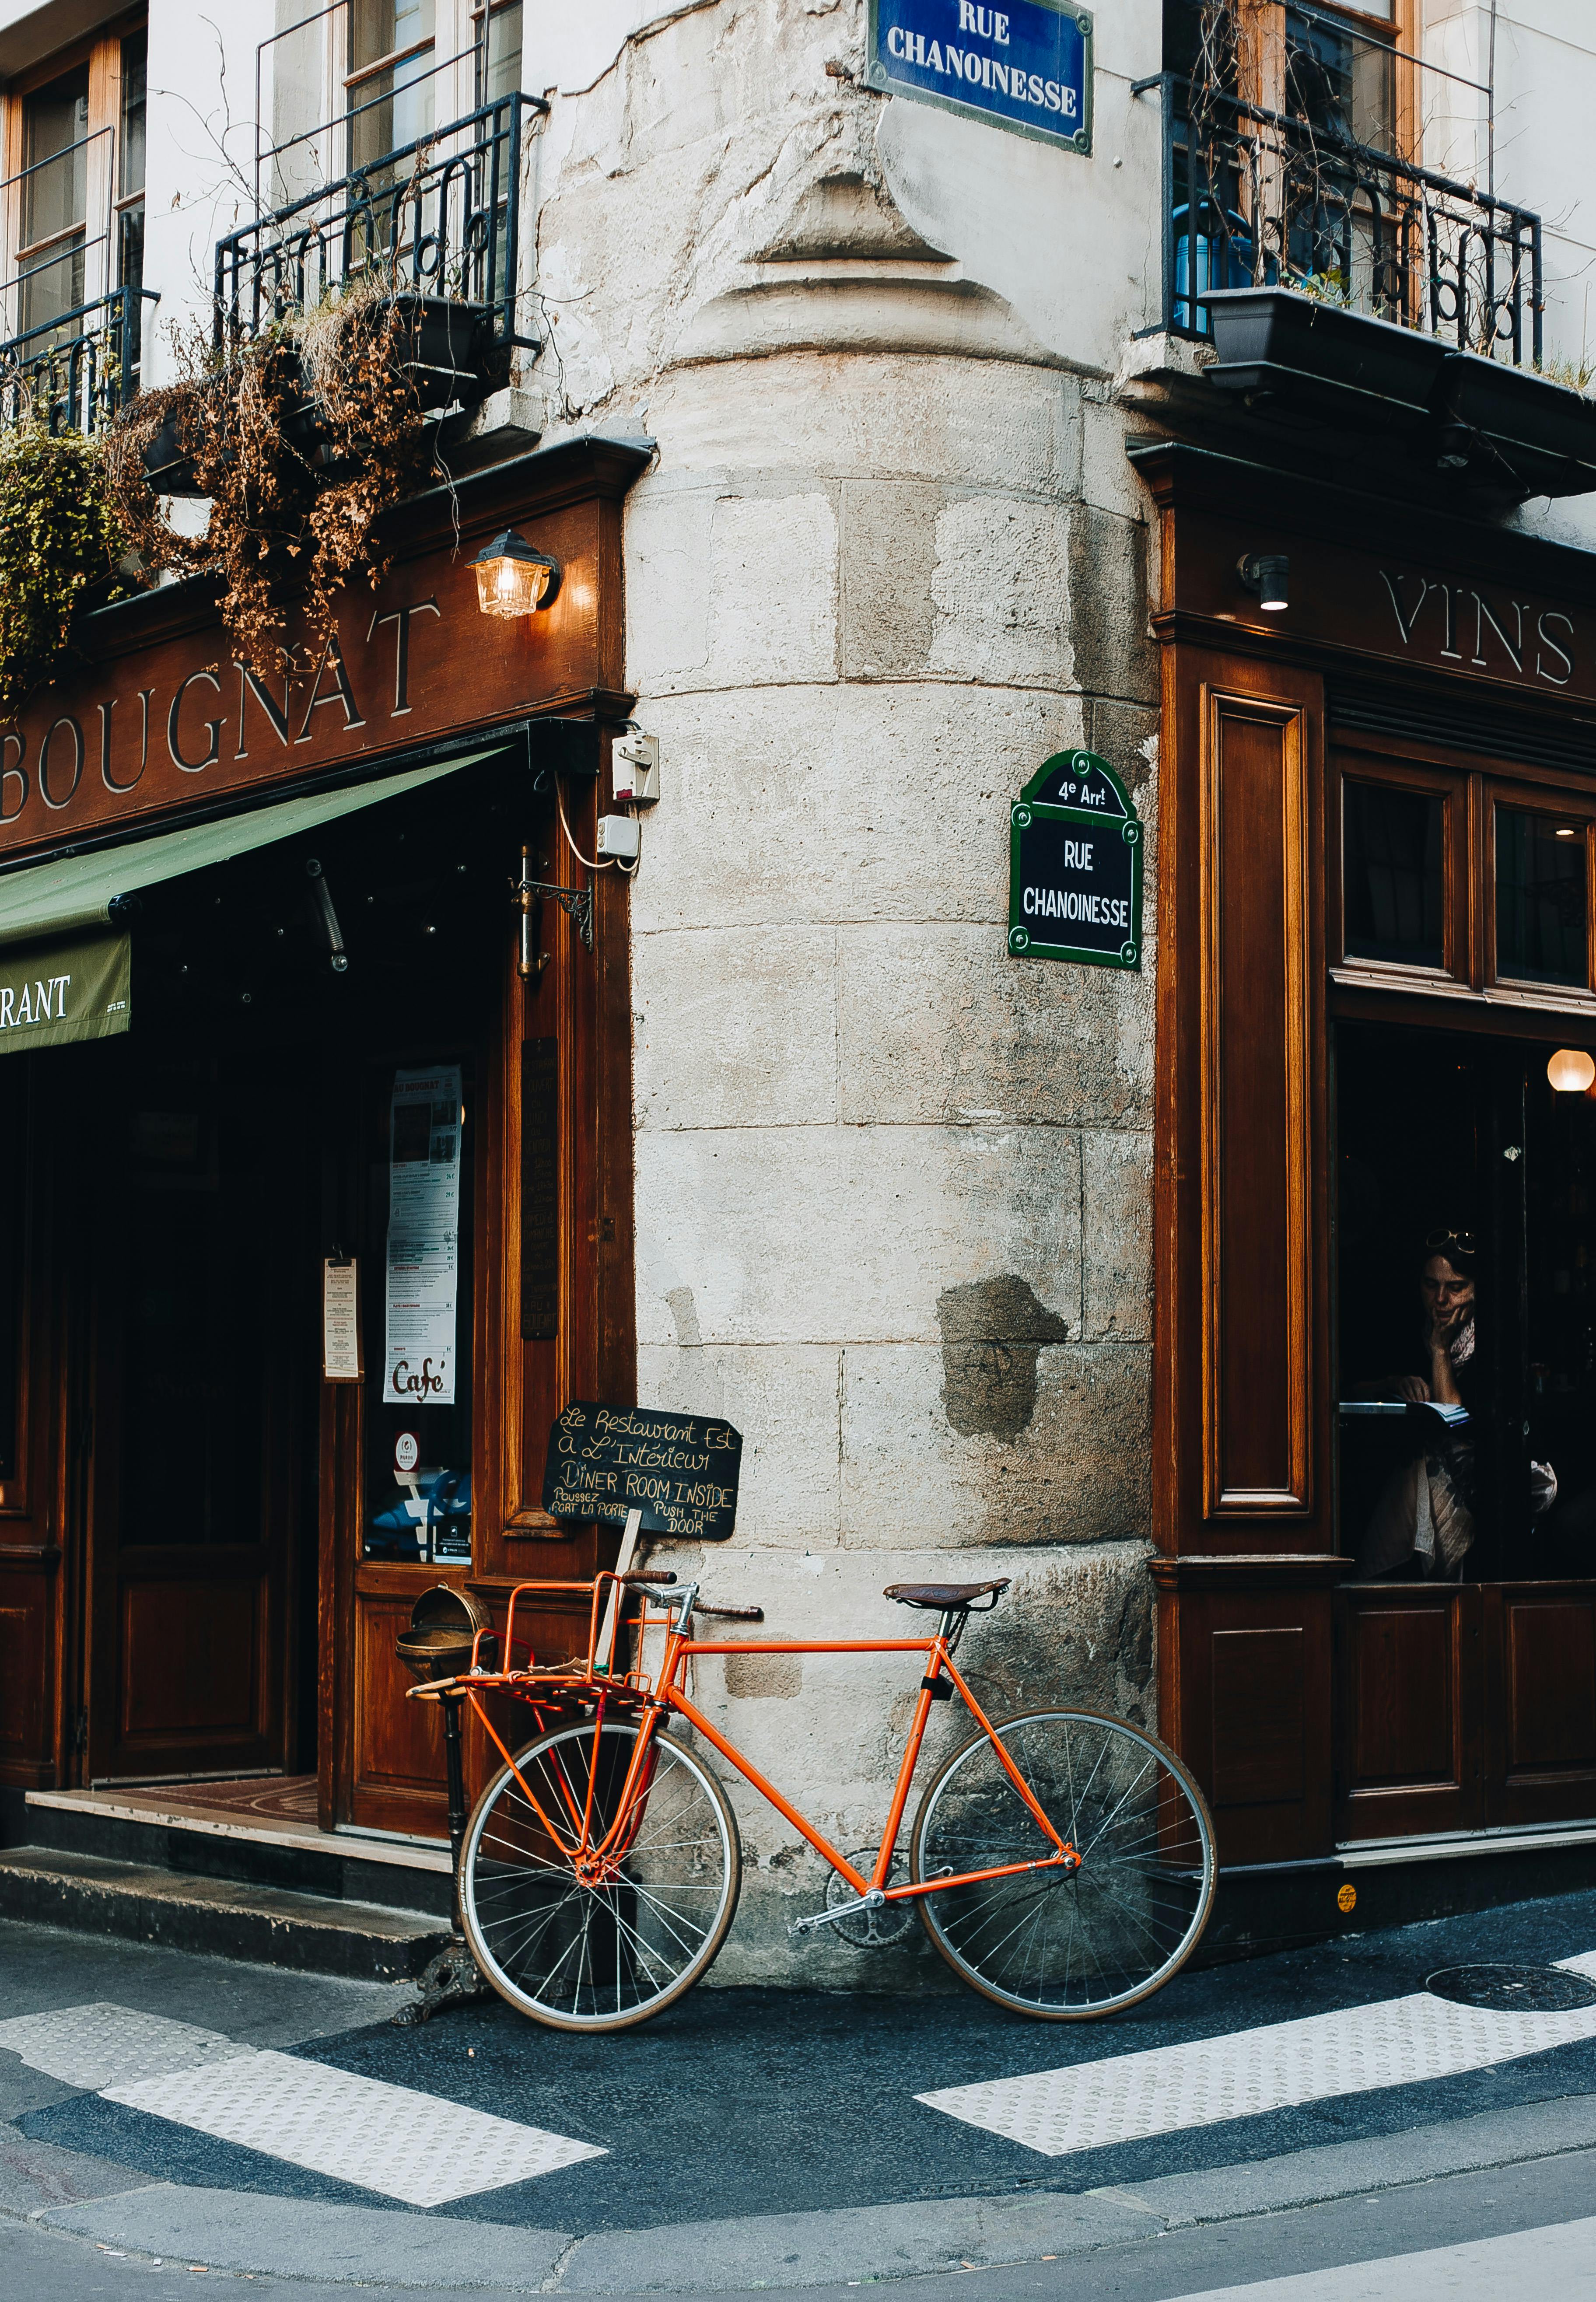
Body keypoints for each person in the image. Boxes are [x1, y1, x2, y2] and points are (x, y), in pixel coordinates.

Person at [1356, 1229, 1557, 1580]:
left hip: (1482, 1487)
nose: (1441, 1299)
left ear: (1477, 1289)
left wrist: (1439, 1350)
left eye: (1456, 1287)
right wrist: (1392, 1383)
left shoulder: (1494, 1341)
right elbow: (1348, 1386)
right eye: (1431, 1285)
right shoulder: (1409, 1323)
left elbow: (1456, 1421)